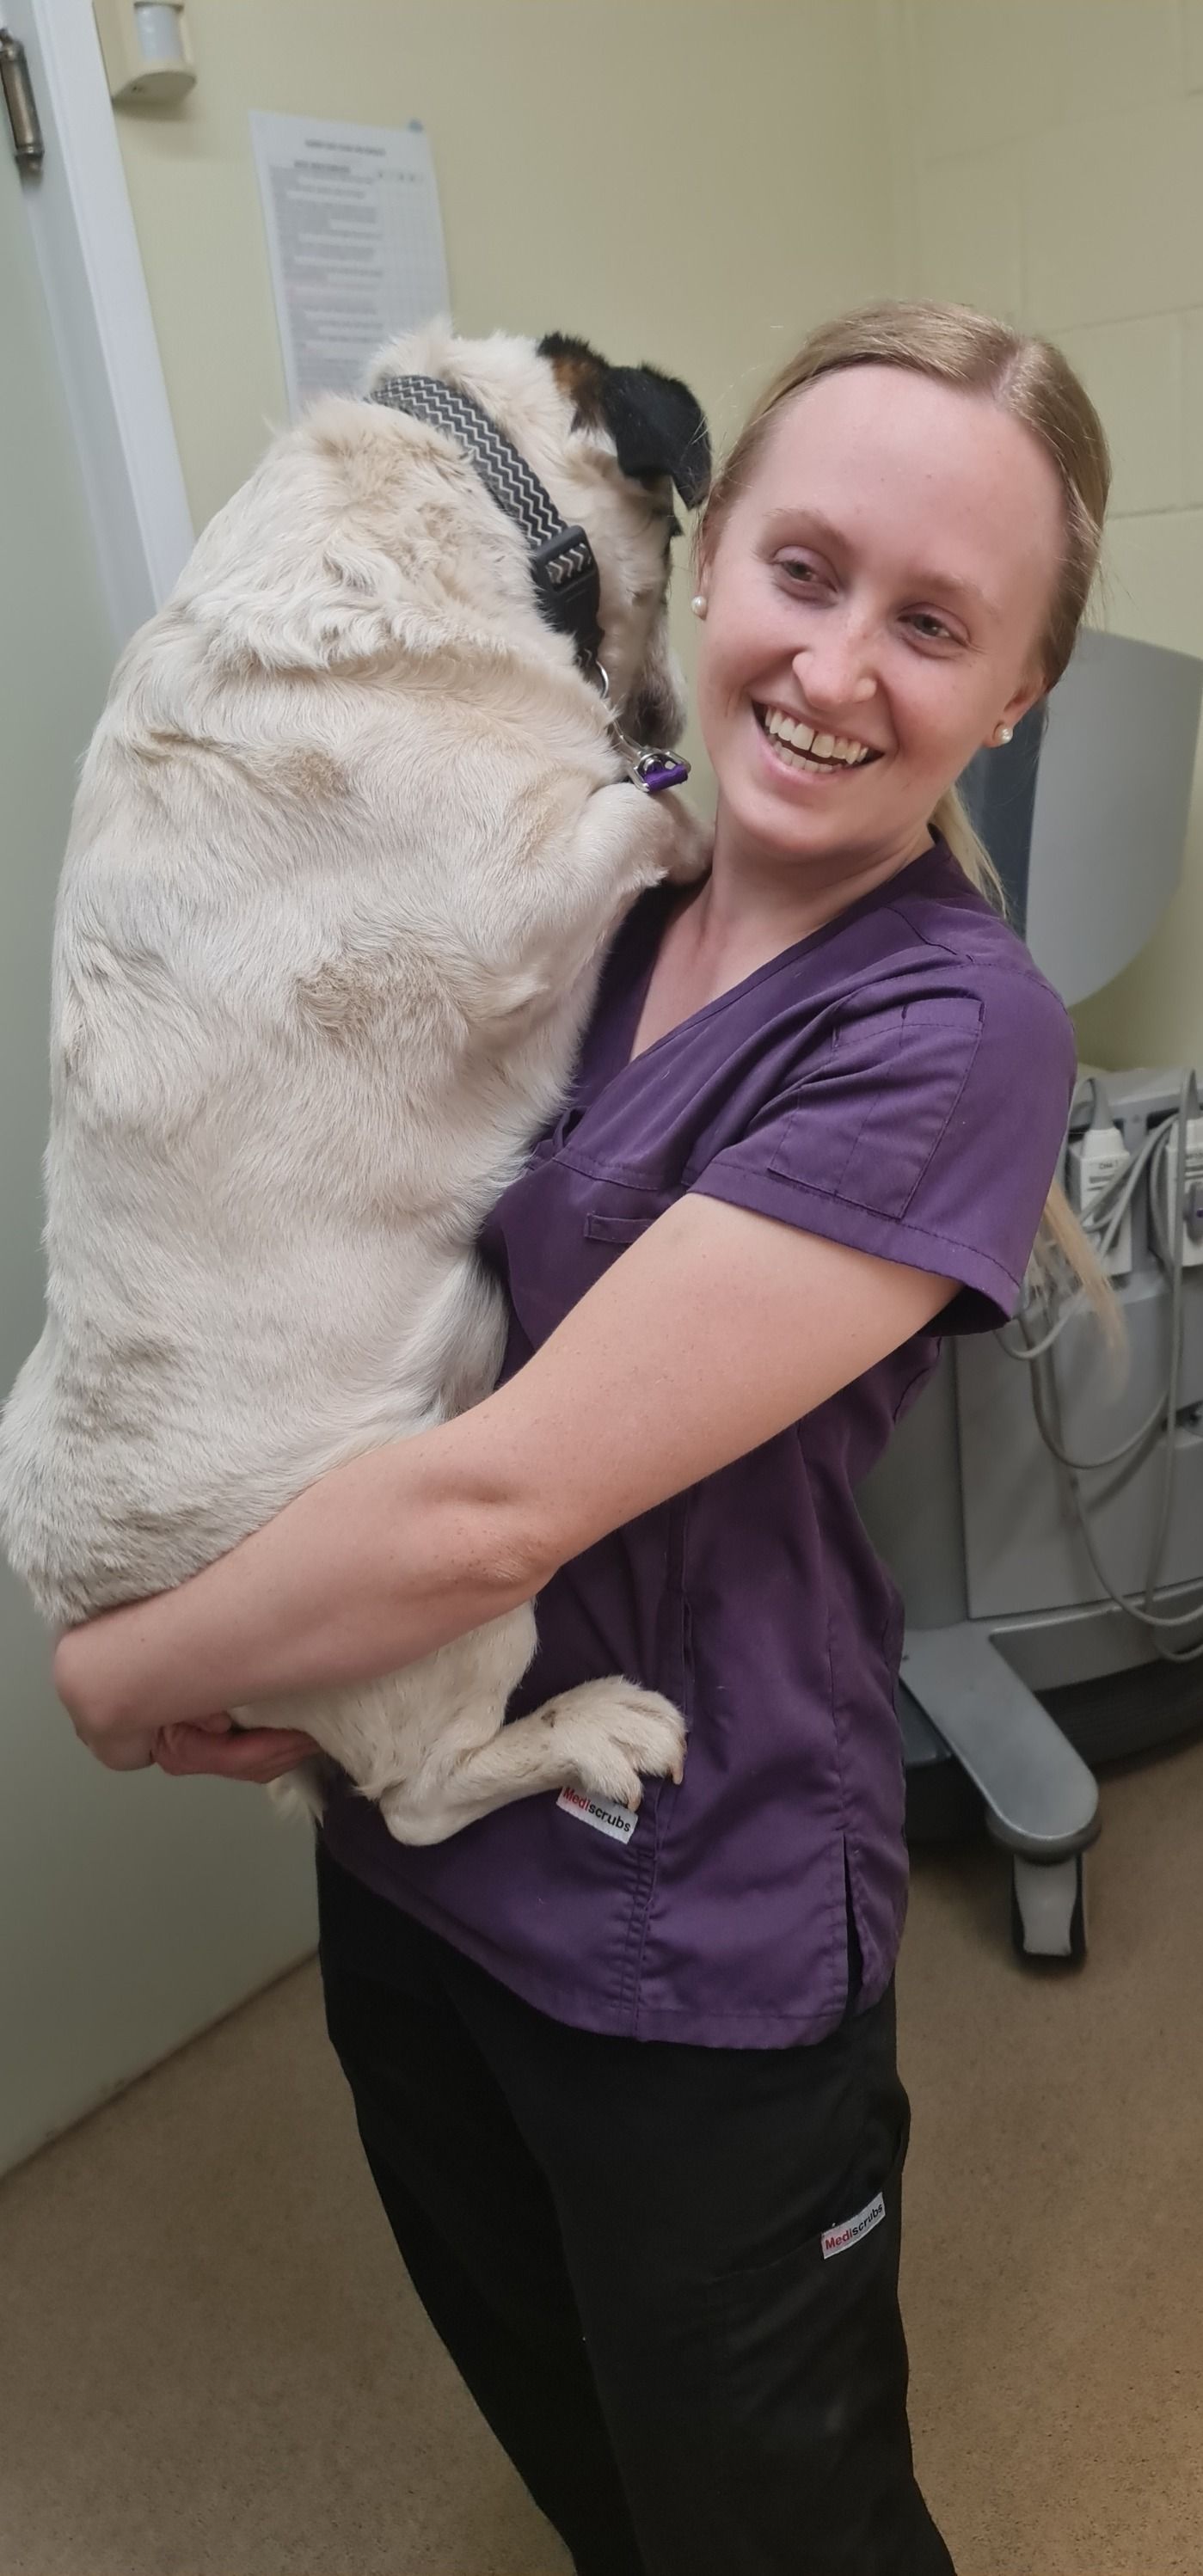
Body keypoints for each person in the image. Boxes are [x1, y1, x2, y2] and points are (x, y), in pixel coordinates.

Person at [54, 300, 1111, 2576]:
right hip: (415, 1874)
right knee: (585, 2461)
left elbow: (492, 1500)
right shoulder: (603, 891)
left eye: (935, 625)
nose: (839, 667)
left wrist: (122, 1677)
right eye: (807, 572)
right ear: (703, 559)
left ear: (1019, 692)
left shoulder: (949, 1024)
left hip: (689, 1928)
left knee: (777, 2523)